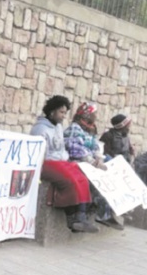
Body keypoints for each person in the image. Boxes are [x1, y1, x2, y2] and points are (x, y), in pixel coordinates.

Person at [30, 96, 98, 233]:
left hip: (60, 161)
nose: (63, 116)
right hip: (46, 163)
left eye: (65, 113)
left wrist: (67, 160)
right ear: (52, 111)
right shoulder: (40, 129)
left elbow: (61, 149)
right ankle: (71, 218)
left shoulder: (58, 127)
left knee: (81, 177)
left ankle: (81, 216)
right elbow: (38, 154)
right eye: (61, 112)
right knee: (70, 180)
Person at [64, 102, 123, 230]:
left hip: (90, 162)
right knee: (89, 178)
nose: (96, 116)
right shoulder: (75, 128)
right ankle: (81, 217)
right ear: (86, 115)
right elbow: (74, 149)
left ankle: (107, 211)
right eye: (94, 113)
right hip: (77, 162)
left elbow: (96, 146)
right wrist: (92, 161)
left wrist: (98, 157)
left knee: (111, 169)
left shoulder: (90, 129)